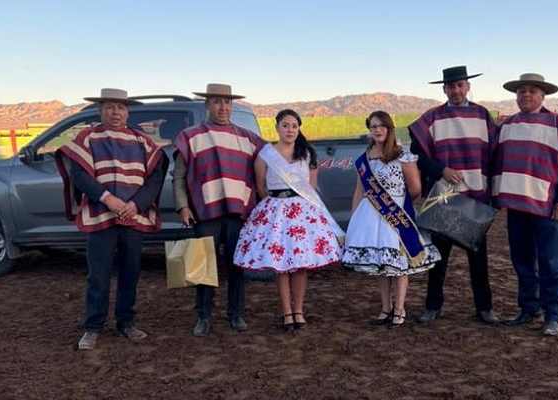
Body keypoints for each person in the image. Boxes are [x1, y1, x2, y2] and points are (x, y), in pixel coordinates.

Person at [56, 88, 167, 350]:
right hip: (100, 217)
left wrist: (136, 204)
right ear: (100, 110)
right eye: (110, 107)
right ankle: (93, 327)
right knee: (99, 275)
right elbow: (80, 176)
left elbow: (155, 175)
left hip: (132, 217)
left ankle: (126, 322)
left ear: (127, 111)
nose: (116, 112)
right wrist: (108, 198)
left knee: (130, 272)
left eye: (120, 107)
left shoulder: (142, 141)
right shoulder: (88, 137)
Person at [233, 109, 343, 332]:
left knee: (300, 265)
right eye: (285, 125)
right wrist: (277, 208)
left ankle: (299, 310)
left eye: (294, 125)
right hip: (276, 214)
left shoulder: (307, 154)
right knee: (281, 266)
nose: (290, 130)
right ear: (277, 128)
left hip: (302, 214)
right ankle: (287, 311)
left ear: (299, 128)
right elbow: (261, 187)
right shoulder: (265, 153)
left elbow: (310, 188)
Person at [408, 65, 500, 326]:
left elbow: (495, 154)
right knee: (439, 258)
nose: (456, 90)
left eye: (460, 85)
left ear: (468, 86)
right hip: (444, 198)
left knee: (477, 257)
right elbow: (417, 156)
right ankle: (432, 306)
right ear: (444, 89)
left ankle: (485, 308)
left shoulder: (482, 115)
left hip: (475, 197)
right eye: (451, 86)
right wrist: (441, 170)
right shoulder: (432, 118)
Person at [491, 73, 558, 336]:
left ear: (543, 96)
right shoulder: (508, 126)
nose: (526, 95)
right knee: (522, 260)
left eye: (532, 91)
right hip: (516, 206)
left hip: (546, 207)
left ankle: (552, 314)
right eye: (521, 91)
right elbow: (496, 162)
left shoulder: (557, 124)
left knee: (550, 262)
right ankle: (529, 308)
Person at [173, 83, 265, 335]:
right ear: (206, 104)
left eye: (227, 102)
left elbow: (268, 168)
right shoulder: (190, 137)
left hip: (238, 213)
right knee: (204, 266)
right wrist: (183, 206)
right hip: (205, 212)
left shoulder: (248, 139)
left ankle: (235, 313)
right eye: (217, 101)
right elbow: (178, 177)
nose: (223, 107)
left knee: (237, 266)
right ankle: (203, 316)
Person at [342, 111, 441, 329]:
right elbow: (359, 191)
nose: (377, 130)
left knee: (399, 266)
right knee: (380, 265)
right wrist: (354, 220)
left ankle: (400, 308)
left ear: (389, 129)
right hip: (370, 217)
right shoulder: (364, 159)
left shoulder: (402, 155)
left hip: (397, 215)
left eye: (382, 126)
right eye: (373, 126)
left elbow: (415, 188)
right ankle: (385, 307)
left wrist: (399, 203)